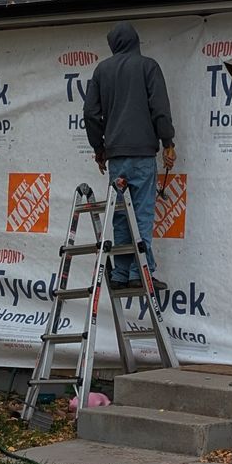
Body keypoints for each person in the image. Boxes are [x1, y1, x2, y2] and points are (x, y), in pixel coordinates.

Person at [83, 22, 176, 289]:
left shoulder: (102, 70)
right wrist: (168, 142)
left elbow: (90, 113)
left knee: (122, 215)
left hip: (116, 158)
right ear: (135, 41)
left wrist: (99, 148)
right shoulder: (148, 67)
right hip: (143, 154)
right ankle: (140, 273)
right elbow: (160, 109)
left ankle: (122, 274)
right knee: (142, 214)